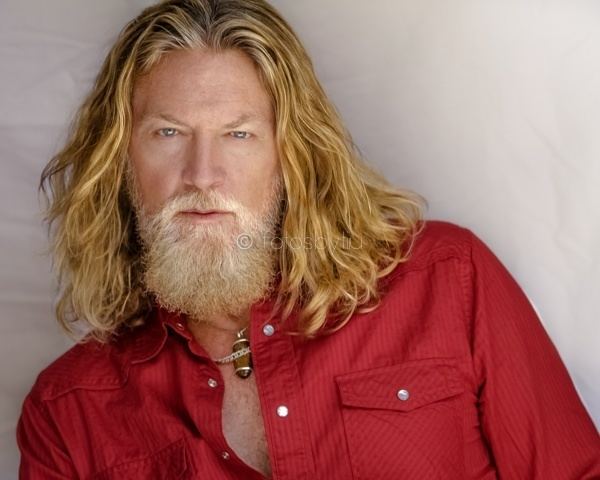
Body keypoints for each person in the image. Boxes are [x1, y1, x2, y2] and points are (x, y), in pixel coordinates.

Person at [16, 0, 600, 478]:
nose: (202, 174)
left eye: (239, 134)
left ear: (292, 155)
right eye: (168, 132)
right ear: (119, 160)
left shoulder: (449, 280)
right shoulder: (69, 412)